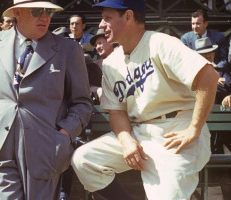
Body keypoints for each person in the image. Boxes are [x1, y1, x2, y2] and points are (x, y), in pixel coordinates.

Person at [71, 1, 219, 200]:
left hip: (176, 132)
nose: (100, 25)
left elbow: (208, 77)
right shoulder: (111, 62)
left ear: (129, 17)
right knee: (84, 160)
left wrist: (194, 128)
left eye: (107, 18)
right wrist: (126, 140)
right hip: (140, 133)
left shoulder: (161, 43)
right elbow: (116, 111)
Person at [0, 1, 92, 200]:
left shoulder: (68, 49)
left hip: (45, 149)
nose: (44, 17)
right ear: (17, 13)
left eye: (48, 11)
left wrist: (64, 133)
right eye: (36, 11)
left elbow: (82, 103)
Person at [195, 37, 231, 104]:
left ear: (213, 54)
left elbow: (228, 85)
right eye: (203, 53)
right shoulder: (192, 71)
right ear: (197, 56)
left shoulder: (222, 71)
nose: (207, 56)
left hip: (220, 109)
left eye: (209, 52)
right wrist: (213, 81)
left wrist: (229, 96)